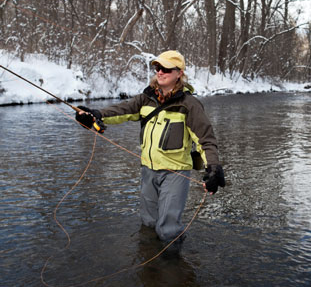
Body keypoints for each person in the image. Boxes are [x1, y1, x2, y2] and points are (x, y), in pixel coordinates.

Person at [75, 50, 225, 244]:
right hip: (148, 170)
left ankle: (171, 267)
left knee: (168, 230)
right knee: (148, 223)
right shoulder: (145, 98)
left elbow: (206, 140)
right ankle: (149, 264)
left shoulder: (190, 105)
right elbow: (122, 110)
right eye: (157, 68)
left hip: (175, 173)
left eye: (166, 69)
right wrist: (95, 115)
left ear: (179, 73)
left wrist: (213, 168)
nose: (160, 72)